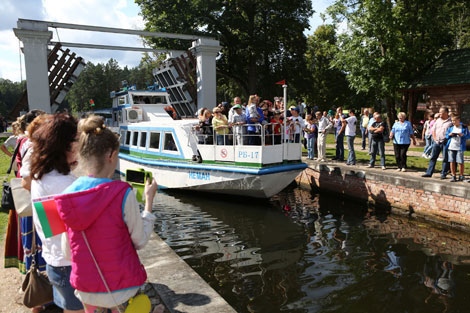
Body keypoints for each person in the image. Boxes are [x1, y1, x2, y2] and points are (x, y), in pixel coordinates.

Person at [55, 115, 158, 312]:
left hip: (86, 289)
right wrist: (148, 202)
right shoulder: (122, 193)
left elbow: (67, 252)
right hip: (122, 288)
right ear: (111, 155)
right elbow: (140, 240)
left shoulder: (66, 197)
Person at [29, 114, 84, 313]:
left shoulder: (44, 175)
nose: (81, 145)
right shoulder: (64, 184)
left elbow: (51, 226)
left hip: (55, 260)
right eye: (78, 140)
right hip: (69, 264)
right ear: (65, 145)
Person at [422, 107, 452, 178]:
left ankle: (443, 173)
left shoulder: (450, 122)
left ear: (446, 113)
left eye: (441, 112)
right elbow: (433, 130)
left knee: (445, 158)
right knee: (433, 157)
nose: (439, 114)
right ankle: (429, 172)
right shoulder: (438, 121)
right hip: (437, 142)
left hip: (445, 142)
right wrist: (435, 139)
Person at [445, 115, 470, 182]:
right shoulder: (451, 127)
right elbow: (446, 136)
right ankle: (453, 175)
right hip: (451, 146)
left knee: (460, 162)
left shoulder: (464, 127)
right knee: (451, 161)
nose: (453, 122)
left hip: (459, 147)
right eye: (452, 120)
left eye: (454, 121)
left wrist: (462, 135)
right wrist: (449, 135)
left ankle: (461, 175)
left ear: (458, 120)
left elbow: (468, 136)